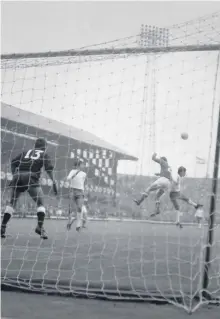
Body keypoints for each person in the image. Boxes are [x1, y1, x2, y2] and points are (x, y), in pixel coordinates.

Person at [1, 138, 58, 239]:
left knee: (12, 203)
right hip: (31, 177)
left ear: (35, 145)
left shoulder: (25, 152)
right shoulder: (44, 155)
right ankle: (39, 227)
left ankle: (2, 227)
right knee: (40, 203)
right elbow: (49, 169)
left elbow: (13, 162)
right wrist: (54, 182)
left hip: (18, 176)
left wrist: (15, 174)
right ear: (45, 147)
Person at [66, 158, 87, 232]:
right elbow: (68, 178)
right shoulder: (72, 171)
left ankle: (78, 225)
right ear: (78, 164)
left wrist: (83, 192)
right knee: (71, 209)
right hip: (72, 191)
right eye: (82, 164)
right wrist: (70, 177)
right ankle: (69, 222)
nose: (83, 165)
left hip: (80, 192)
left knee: (79, 208)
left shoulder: (84, 174)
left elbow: (82, 183)